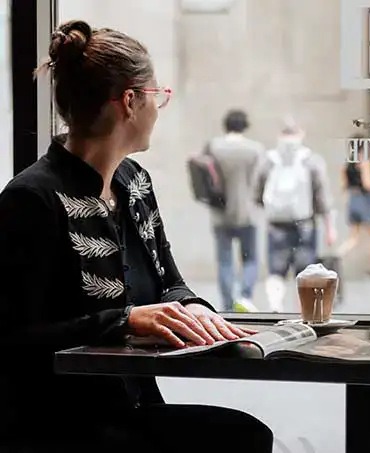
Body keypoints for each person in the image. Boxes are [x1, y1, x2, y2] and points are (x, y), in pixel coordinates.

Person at [0, 21, 273, 452]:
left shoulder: (134, 182)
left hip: (133, 406)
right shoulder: (31, 199)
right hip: (60, 421)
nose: (159, 107)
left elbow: (169, 281)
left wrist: (195, 310)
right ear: (130, 101)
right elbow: (14, 336)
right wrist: (124, 319)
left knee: (247, 434)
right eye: (157, 96)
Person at [256, 118, 335, 312]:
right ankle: (304, 311)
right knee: (306, 271)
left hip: (276, 224)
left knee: (276, 271)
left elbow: (257, 194)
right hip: (305, 224)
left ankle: (276, 306)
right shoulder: (311, 160)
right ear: (301, 134)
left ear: (279, 135)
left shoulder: (269, 160)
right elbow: (322, 197)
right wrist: (330, 227)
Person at [205, 109, 263, 312]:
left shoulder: (213, 147)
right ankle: (245, 297)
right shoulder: (255, 150)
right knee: (250, 259)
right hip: (247, 213)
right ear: (245, 125)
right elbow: (259, 182)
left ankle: (228, 305)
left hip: (220, 214)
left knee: (225, 261)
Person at [337, 132, 370, 278]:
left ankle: (338, 256)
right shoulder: (364, 162)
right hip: (365, 200)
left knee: (353, 238)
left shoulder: (347, 163)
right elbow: (368, 184)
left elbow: (343, 185)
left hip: (352, 199)